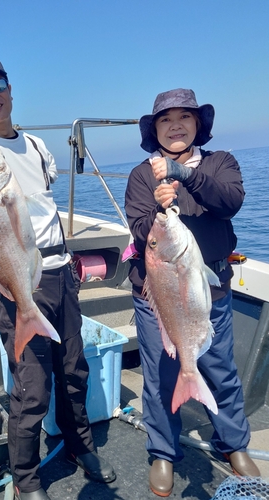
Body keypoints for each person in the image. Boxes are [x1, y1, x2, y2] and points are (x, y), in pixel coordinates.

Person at [0, 53, 116, 500]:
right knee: (32, 385)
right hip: (17, 281)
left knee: (73, 369)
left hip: (61, 271)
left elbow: (44, 207)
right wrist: (10, 287)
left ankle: (78, 445)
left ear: (10, 87)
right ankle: (25, 479)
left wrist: (64, 264)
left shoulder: (39, 147)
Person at [124, 88, 260, 497]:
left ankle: (234, 445)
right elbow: (140, 228)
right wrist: (158, 209)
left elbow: (230, 201)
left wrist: (185, 177)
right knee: (161, 376)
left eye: (185, 116)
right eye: (166, 119)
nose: (176, 124)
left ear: (199, 124)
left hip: (210, 290)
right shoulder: (140, 176)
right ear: (155, 130)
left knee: (221, 371)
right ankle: (163, 451)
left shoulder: (221, 163)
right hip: (159, 294)